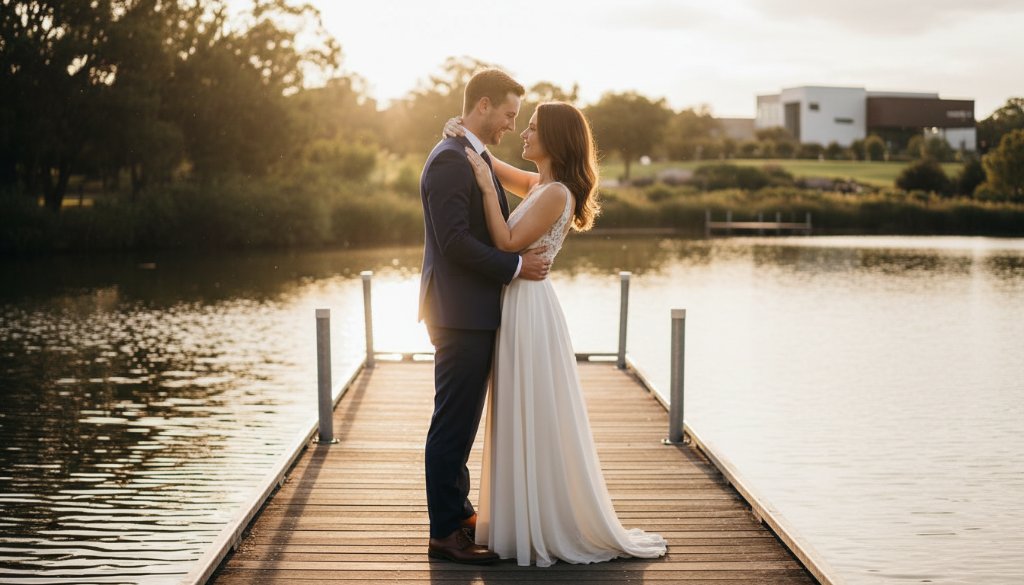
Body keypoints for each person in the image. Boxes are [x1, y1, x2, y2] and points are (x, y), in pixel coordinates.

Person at [445, 102, 668, 566]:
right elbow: (490, 162)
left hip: (528, 309)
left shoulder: (554, 193)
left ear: (555, 139)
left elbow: (507, 242)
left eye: (531, 128)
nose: (523, 133)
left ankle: (540, 520)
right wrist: (465, 137)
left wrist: (486, 189)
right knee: (520, 407)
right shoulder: (541, 184)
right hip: (521, 303)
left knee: (531, 407)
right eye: (522, 125)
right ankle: (520, 514)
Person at [417, 68, 552, 565]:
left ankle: (460, 510)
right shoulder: (451, 161)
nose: (512, 126)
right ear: (483, 106)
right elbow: (454, 243)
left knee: (464, 420)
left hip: (471, 310)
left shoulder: (470, 154)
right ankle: (445, 532)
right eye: (509, 115)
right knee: (452, 424)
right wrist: (516, 265)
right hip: (459, 313)